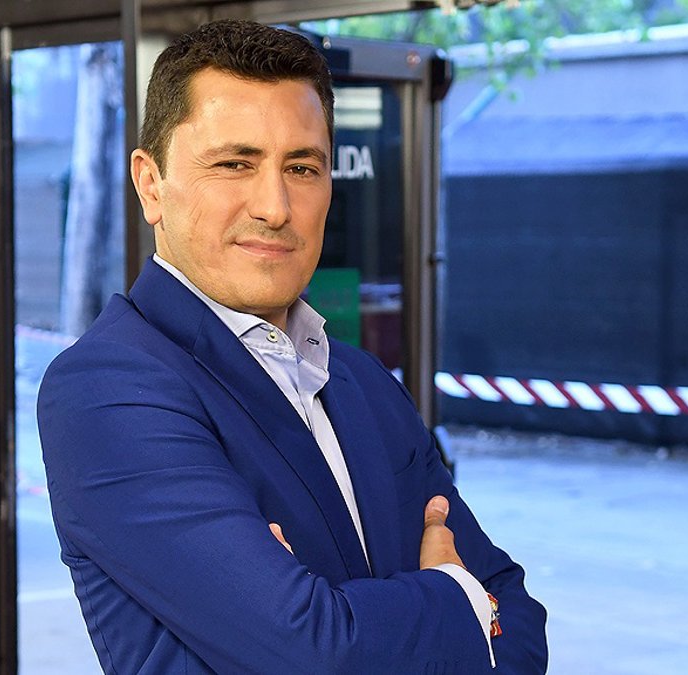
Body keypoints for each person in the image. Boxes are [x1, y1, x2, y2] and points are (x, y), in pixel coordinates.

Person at [38, 19, 548, 674]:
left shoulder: (363, 382)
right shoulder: (108, 389)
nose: (275, 207)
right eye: (234, 164)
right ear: (150, 184)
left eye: (302, 167)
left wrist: (341, 613)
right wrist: (459, 596)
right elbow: (313, 651)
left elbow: (522, 628)